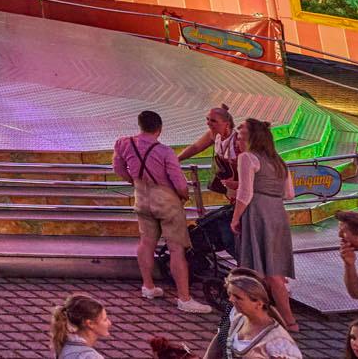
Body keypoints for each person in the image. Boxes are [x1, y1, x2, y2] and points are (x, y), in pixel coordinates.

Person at [113, 109, 207, 313]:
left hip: (142, 197)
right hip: (166, 201)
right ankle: (184, 298)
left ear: (140, 125)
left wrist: (132, 181)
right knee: (176, 249)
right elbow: (179, 182)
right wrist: (183, 195)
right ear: (159, 129)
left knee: (146, 242)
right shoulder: (165, 152)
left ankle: (148, 286)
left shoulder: (123, 143)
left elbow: (118, 167)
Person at [232, 117, 296, 329]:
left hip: (258, 213)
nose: (238, 134)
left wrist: (236, 217)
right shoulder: (280, 162)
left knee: (254, 268)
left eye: (242, 132)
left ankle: (254, 317)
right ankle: (290, 321)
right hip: (277, 213)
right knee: (275, 273)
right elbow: (289, 194)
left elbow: (245, 193)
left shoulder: (247, 158)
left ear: (251, 137)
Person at [221, 274, 300, 359]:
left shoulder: (277, 342)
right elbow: (218, 342)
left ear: (259, 304)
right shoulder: (238, 318)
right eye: (230, 294)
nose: (231, 299)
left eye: (238, 297)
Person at [49, 294, 107, 359]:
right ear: (90, 323)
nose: (109, 323)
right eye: (105, 320)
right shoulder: (89, 356)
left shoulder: (65, 349)